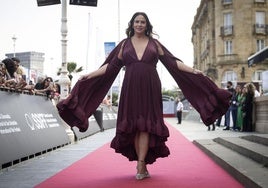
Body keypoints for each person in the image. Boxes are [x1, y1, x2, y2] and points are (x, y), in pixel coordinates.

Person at [56, 12, 231, 180]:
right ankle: (142, 164)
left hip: (150, 89)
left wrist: (193, 70)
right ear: (132, 24)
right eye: (137, 21)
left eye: (143, 22)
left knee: (146, 126)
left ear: (147, 25)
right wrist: (90, 74)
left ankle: (140, 164)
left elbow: (173, 62)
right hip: (130, 89)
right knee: (134, 126)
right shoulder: (124, 44)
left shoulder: (155, 44)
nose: (139, 24)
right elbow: (110, 67)